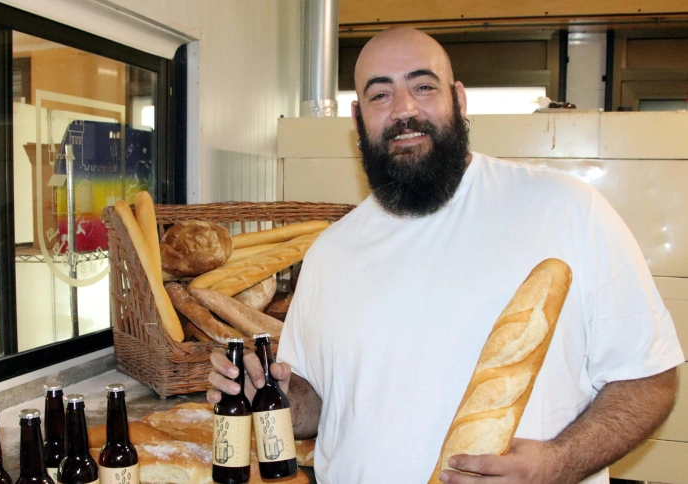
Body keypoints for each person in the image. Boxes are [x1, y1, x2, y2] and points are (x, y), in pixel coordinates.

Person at [207, 27, 683, 484]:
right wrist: (273, 394)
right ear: (358, 119)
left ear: (458, 99)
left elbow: (649, 380)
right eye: (380, 94)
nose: (404, 109)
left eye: (423, 86)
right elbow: (321, 405)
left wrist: (558, 465)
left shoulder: (565, 209)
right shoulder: (332, 252)